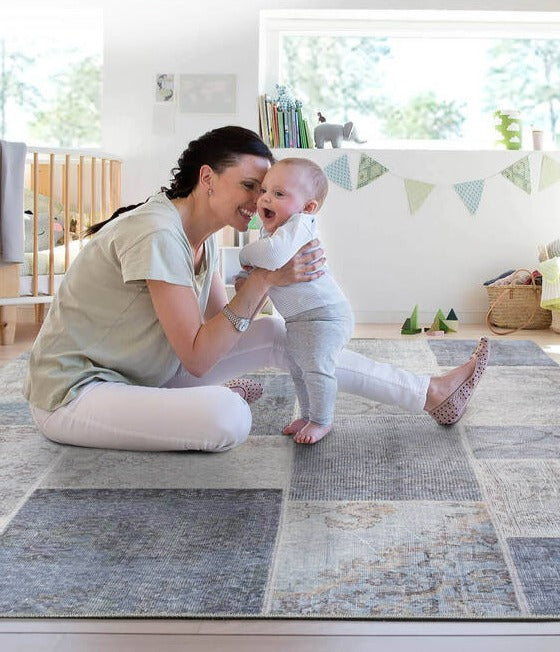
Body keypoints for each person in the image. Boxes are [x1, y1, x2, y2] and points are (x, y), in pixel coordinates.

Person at [23, 125, 489, 453]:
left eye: (266, 188)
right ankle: (198, 400)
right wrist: (266, 277)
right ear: (207, 177)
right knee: (228, 418)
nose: (261, 199)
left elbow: (227, 328)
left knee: (278, 336)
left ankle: (429, 393)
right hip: (80, 392)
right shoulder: (158, 233)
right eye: (250, 185)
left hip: (145, 375)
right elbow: (200, 356)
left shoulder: (202, 238)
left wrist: (276, 277)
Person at [238, 158, 353, 445]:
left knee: (316, 367)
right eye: (265, 190)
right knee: (298, 369)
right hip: (300, 319)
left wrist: (245, 256)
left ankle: (322, 420)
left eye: (279, 194)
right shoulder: (272, 232)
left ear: (308, 207)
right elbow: (266, 265)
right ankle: (308, 414)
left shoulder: (300, 224)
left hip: (324, 315)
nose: (265, 198)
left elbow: (273, 257)